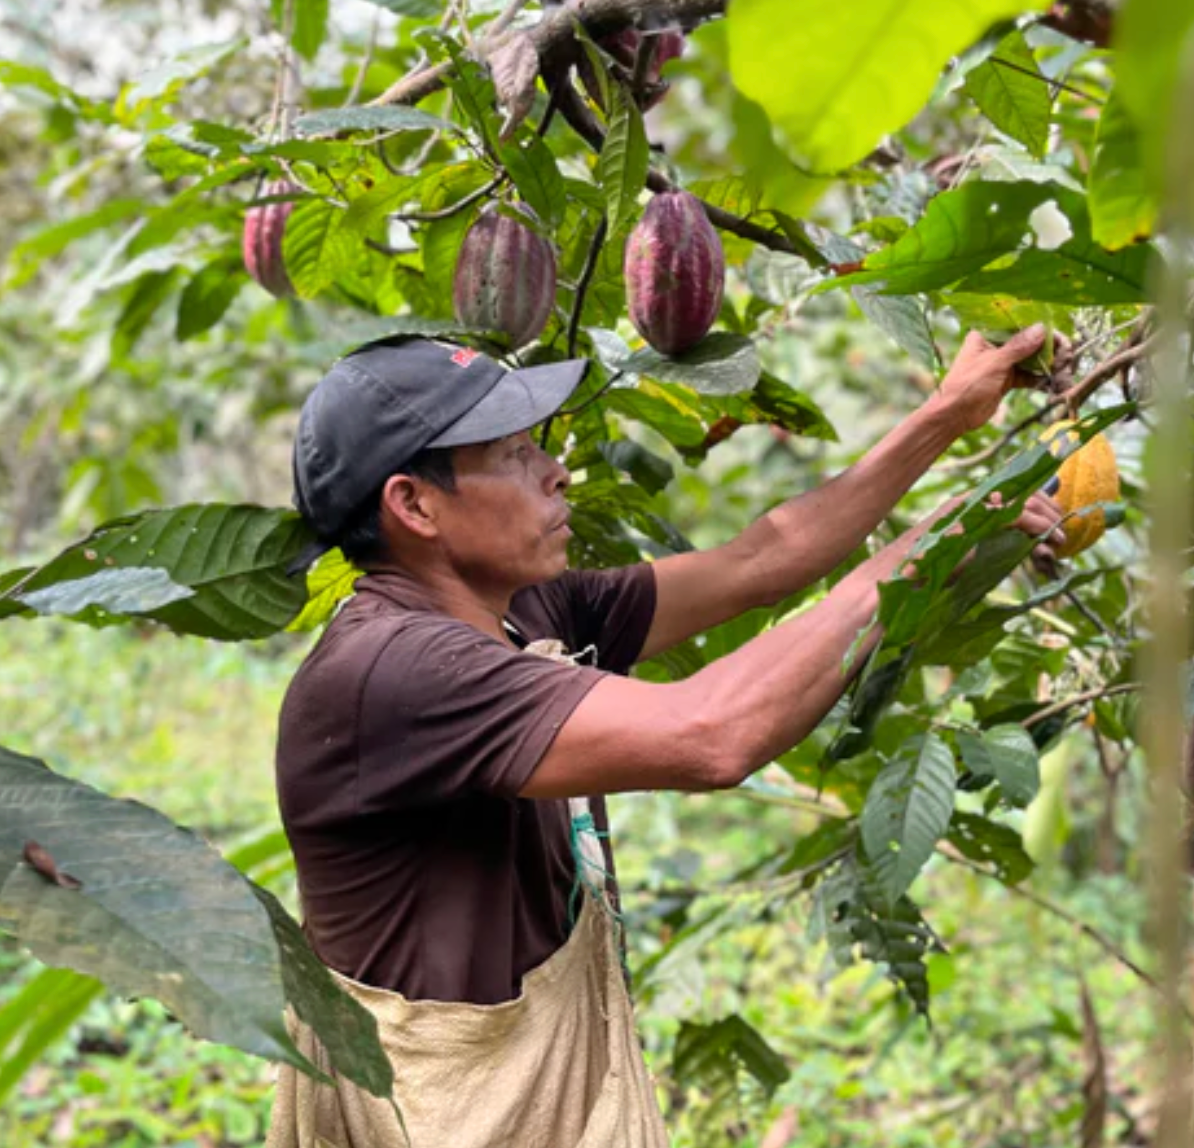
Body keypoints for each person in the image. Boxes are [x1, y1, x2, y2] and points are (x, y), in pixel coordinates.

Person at [267, 325, 1065, 1147]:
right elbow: (715, 733)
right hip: (450, 1113)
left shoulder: (519, 611)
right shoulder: (396, 669)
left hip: (536, 1096)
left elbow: (764, 562)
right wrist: (925, 552)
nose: (554, 470)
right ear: (414, 504)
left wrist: (946, 417)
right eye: (509, 455)